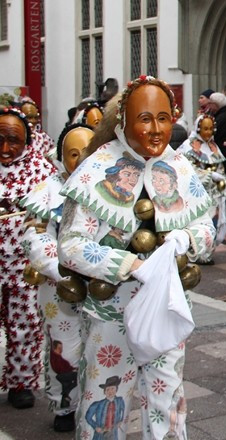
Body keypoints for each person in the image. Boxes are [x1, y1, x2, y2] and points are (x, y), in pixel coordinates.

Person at [57, 75, 216, 440]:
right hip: (110, 310)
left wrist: (184, 240)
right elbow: (72, 245)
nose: (157, 129)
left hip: (165, 309)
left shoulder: (179, 166)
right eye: (145, 119)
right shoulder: (97, 169)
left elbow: (206, 229)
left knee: (168, 399)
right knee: (105, 401)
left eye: (163, 117)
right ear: (123, 121)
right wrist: (129, 264)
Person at [20, 122, 94, 431]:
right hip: (59, 289)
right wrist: (63, 268)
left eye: (87, 153)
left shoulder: (106, 188)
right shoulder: (47, 191)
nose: (79, 160)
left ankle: (94, 402)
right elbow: (35, 238)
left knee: (98, 347)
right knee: (64, 349)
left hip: (99, 286)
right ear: (61, 155)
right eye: (73, 153)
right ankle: (65, 405)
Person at [0, 106, 54, 409]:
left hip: (24, 268)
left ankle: (21, 381)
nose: (6, 149)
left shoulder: (41, 170)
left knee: (25, 325)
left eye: (14, 140)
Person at [177, 114, 226, 261]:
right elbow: (186, 168)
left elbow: (220, 166)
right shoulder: (188, 146)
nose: (208, 132)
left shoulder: (213, 147)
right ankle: (197, 252)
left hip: (213, 193)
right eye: (205, 128)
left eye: (211, 129)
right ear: (198, 128)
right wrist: (209, 175)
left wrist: (221, 179)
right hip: (196, 192)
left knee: (213, 221)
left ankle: (208, 253)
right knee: (198, 221)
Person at [209, 92, 226, 232]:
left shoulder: (222, 118)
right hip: (224, 155)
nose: (209, 106)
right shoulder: (224, 115)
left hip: (221, 157)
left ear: (216, 104)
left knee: (221, 192)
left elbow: (214, 134)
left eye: (211, 104)